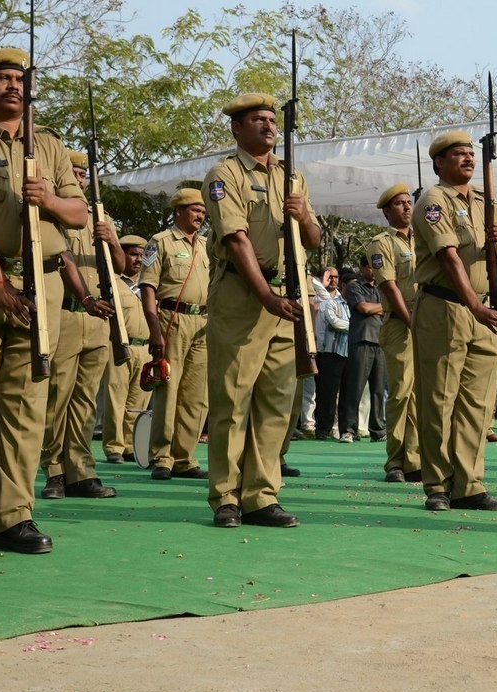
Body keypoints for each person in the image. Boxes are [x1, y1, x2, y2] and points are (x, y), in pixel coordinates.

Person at [0, 47, 88, 553]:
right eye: (1, 78)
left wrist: (46, 198)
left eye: (19, 80)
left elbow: (78, 214)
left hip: (42, 284)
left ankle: (15, 514)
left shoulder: (48, 146)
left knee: (27, 403)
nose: (13, 87)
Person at [204, 92, 321, 527]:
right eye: (258, 119)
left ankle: (261, 494)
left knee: (276, 402)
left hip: (285, 298)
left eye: (272, 120)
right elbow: (235, 241)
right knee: (232, 400)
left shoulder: (293, 177)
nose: (269, 126)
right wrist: (267, 297)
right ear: (237, 127)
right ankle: (226, 497)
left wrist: (303, 214)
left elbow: (313, 239)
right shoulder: (225, 174)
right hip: (242, 297)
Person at [411, 129, 497, 512]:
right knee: (439, 399)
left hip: (483, 309)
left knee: (477, 403)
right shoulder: (433, 201)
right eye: (459, 154)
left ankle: (468, 483)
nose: (468, 159)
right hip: (447, 307)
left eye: (471, 154)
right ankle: (437, 484)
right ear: (440, 162)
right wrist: (475, 306)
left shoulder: (487, 202)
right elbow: (449, 259)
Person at [38, 150, 121, 500]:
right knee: (57, 395)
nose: (80, 179)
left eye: (83, 175)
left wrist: (110, 239)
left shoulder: (101, 217)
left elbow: (121, 266)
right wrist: (86, 298)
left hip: (98, 319)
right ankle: (54, 470)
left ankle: (81, 471)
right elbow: (63, 260)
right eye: (74, 173)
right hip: (69, 312)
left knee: (86, 400)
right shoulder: (53, 215)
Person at [140, 188, 210, 480]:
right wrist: (154, 330)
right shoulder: (160, 242)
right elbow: (148, 287)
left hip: (204, 322)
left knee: (196, 395)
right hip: (172, 319)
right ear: (179, 211)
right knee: (168, 390)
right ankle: (162, 457)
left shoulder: (207, 245)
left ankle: (185, 458)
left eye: (203, 212)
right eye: (194, 210)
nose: (200, 215)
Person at [366, 184, 420, 482]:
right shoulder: (382, 243)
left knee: (421, 395)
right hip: (401, 325)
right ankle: (396, 461)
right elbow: (389, 285)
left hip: (426, 323)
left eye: (408, 202)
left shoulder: (423, 237)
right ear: (387, 211)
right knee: (401, 393)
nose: (407, 207)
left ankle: (415, 459)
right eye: (399, 204)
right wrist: (411, 320)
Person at [100, 235, 152, 464]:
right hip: (120, 345)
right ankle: (114, 446)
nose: (138, 260)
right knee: (116, 397)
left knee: (138, 401)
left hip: (146, 347)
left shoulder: (149, 283)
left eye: (142, 255)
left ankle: (130, 445)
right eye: (133, 254)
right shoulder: (111, 281)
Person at [339, 256, 386, 444]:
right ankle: (348, 430)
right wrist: (384, 307)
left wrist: (379, 308)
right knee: (354, 387)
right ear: (363, 267)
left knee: (378, 389)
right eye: (371, 267)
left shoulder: (381, 287)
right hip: (361, 339)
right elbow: (364, 308)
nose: (375, 271)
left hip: (381, 341)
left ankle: (378, 430)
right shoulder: (354, 285)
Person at [312, 266, 348, 440]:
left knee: (337, 392)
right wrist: (321, 283)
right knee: (321, 393)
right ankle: (319, 428)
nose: (333, 280)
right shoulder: (317, 294)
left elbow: (341, 323)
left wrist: (347, 325)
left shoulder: (344, 300)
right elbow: (335, 323)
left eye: (336, 277)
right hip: (320, 350)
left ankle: (335, 428)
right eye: (329, 277)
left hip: (340, 351)